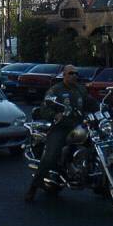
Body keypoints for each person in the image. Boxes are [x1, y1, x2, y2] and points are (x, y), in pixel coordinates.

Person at [25, 64, 98, 202]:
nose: (74, 76)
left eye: (76, 73)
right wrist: (54, 115)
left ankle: (101, 184)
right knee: (51, 156)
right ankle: (34, 187)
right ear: (64, 75)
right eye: (71, 73)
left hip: (79, 126)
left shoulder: (80, 89)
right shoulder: (55, 90)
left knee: (95, 145)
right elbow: (44, 108)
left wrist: (105, 109)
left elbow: (91, 103)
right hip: (61, 128)